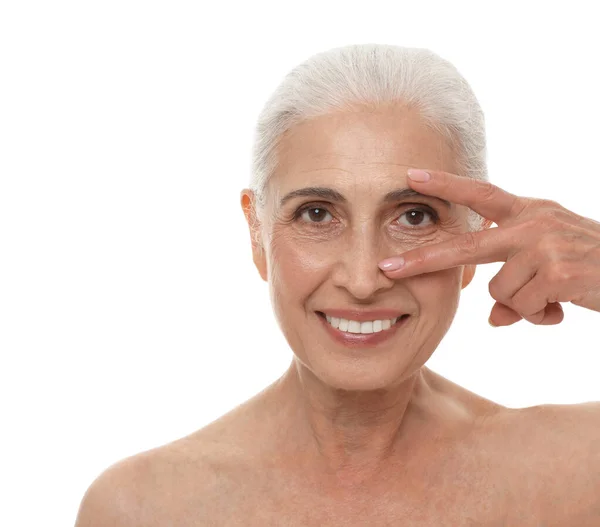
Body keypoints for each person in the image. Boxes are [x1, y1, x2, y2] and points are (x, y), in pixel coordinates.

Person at [75, 43, 600, 526]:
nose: (362, 278)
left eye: (414, 217)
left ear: (477, 237)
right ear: (256, 232)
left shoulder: (578, 474)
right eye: (317, 213)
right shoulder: (141, 509)